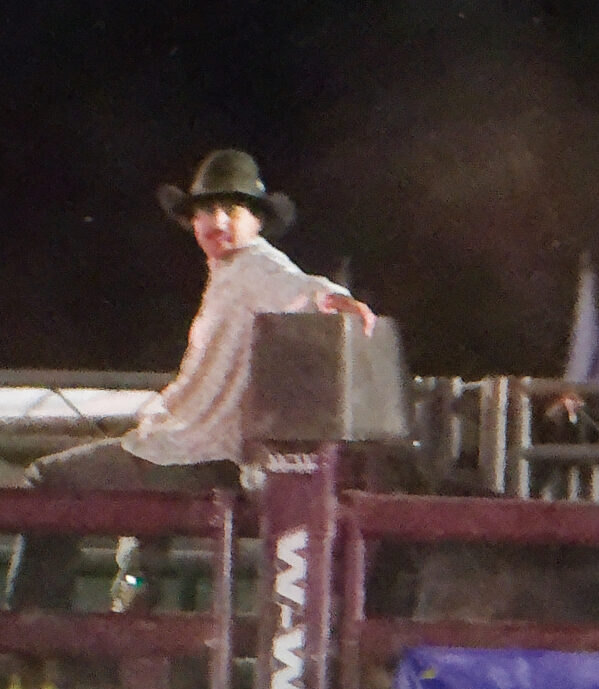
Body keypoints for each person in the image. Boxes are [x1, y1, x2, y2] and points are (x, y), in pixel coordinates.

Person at [3, 151, 375, 612]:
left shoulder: (252, 266)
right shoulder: (230, 274)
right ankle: (130, 622)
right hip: (195, 448)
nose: (217, 220)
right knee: (140, 535)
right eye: (206, 210)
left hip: (190, 450)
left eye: (231, 211)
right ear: (193, 220)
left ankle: (32, 626)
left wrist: (338, 300)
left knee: (47, 478)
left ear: (255, 221)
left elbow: (297, 286)